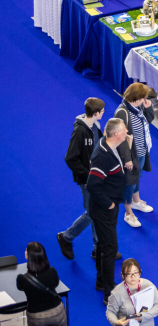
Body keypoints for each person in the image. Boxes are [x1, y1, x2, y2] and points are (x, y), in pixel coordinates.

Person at [58, 97, 106, 260]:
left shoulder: (96, 126)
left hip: (97, 177)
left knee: (96, 211)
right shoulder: (80, 131)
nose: (104, 113)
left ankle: (97, 247)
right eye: (102, 111)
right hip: (88, 180)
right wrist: (87, 175)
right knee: (93, 212)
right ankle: (66, 237)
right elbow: (70, 157)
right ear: (96, 113)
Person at [88, 118, 129, 299]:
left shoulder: (109, 147)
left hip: (107, 206)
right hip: (104, 209)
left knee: (103, 245)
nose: (127, 131)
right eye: (124, 129)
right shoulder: (103, 155)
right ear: (116, 134)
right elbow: (92, 185)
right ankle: (108, 291)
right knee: (110, 248)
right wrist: (110, 204)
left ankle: (100, 282)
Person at [114, 83, 155, 229]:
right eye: (143, 97)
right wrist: (128, 159)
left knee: (137, 176)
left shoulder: (138, 107)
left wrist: (148, 107)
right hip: (131, 154)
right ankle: (128, 213)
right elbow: (120, 139)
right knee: (129, 183)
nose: (145, 99)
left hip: (141, 150)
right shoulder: (122, 112)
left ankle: (136, 201)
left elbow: (149, 120)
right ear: (136, 98)